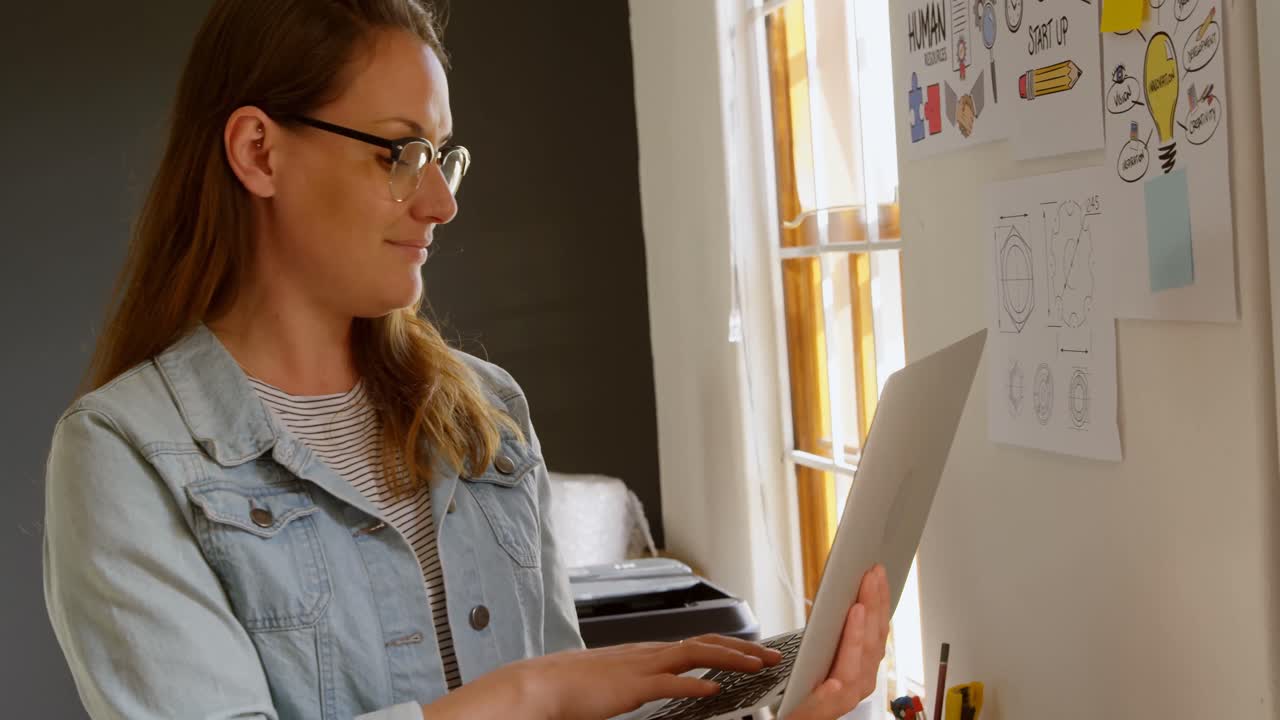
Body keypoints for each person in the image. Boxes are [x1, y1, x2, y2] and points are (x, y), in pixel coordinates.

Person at [41, 1, 891, 718]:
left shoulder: (486, 415)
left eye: (442, 155)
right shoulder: (124, 457)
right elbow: (544, 696)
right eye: (399, 152)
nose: (442, 202)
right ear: (259, 152)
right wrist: (526, 694)